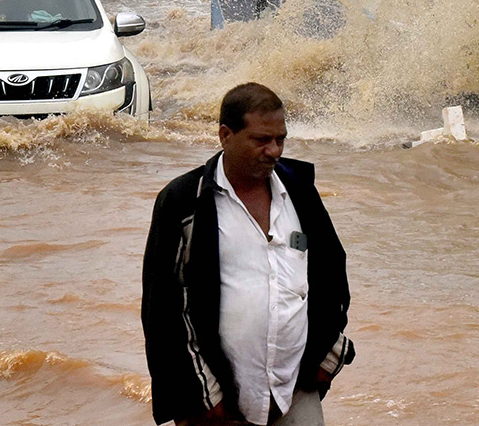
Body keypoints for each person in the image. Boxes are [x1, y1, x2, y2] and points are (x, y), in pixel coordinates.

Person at [142, 83, 354, 426]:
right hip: (215, 399)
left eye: (280, 139)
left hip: (294, 389)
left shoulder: (299, 192)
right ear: (226, 135)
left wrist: (327, 355)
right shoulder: (184, 202)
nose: (274, 151)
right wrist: (202, 397)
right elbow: (162, 310)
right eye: (261, 140)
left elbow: (331, 273)